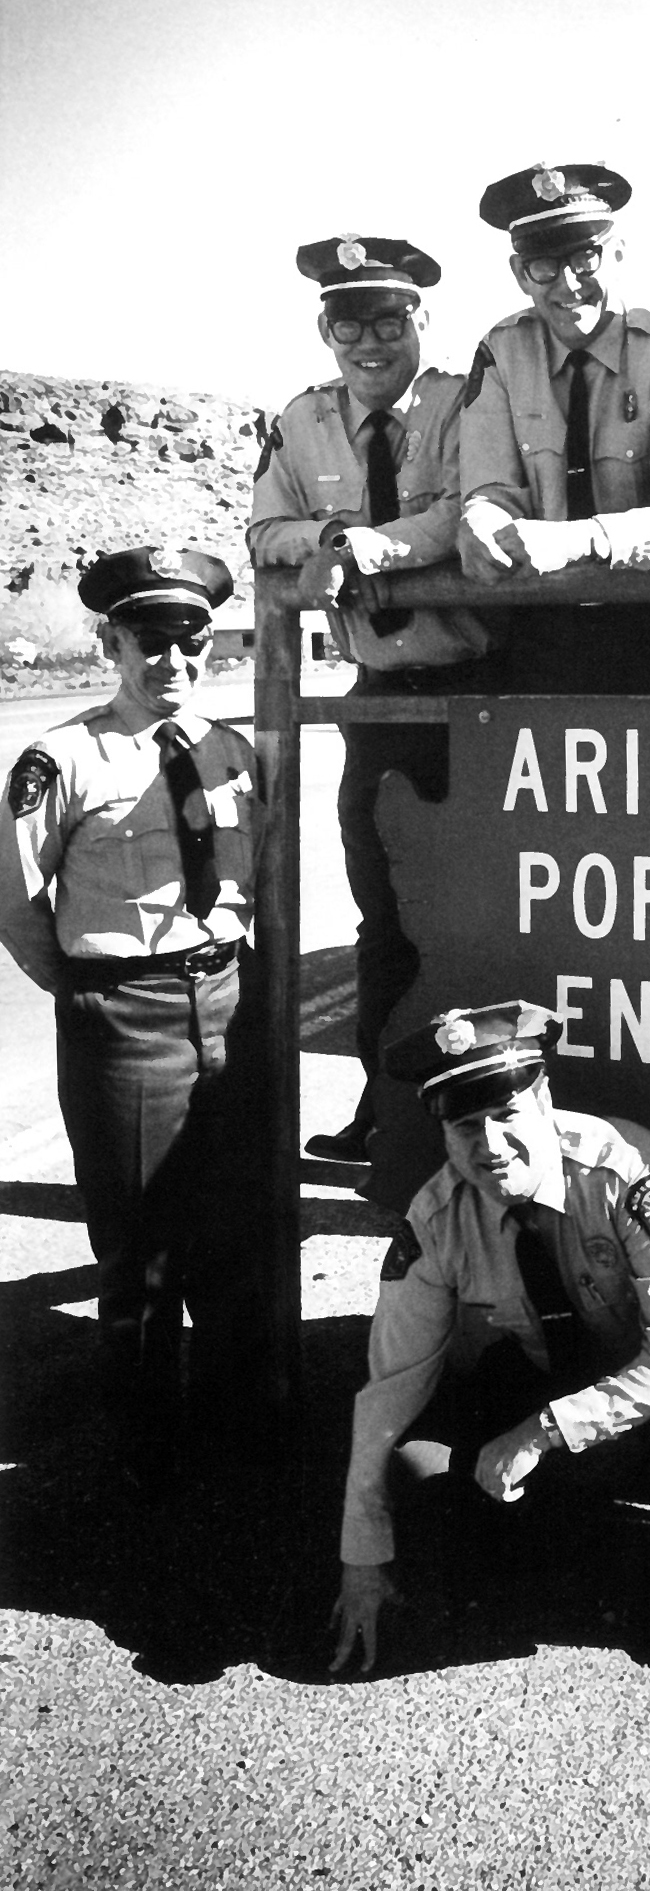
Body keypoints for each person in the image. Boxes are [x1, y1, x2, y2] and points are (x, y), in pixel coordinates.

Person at [330, 1000, 650, 1673]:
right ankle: (543, 1539)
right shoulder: (437, 1219)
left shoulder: (628, 1177)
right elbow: (390, 1387)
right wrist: (361, 1556)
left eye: (505, 1115)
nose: (489, 1145)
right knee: (415, 1468)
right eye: (466, 1125)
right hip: (545, 1365)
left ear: (544, 1098)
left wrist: (542, 1430)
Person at [0, 547, 264, 1498]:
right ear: (113, 642)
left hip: (225, 1003)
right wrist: (86, 991)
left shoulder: (232, 751)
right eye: (150, 643)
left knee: (232, 1230)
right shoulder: (62, 757)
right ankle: (148, 1444)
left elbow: (252, 878)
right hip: (126, 1014)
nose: (173, 662)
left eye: (190, 642)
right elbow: (17, 901)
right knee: (142, 1242)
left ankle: (242, 1429)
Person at [250, 234, 499, 1164]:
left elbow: (469, 506)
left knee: (485, 910)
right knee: (382, 911)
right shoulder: (303, 420)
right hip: (378, 696)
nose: (369, 340)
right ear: (325, 329)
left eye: (389, 318)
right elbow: (266, 526)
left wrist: (371, 549)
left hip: (478, 691)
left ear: (420, 322)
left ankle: (490, 1107)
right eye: (348, 320)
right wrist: (328, 531)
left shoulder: (464, 400)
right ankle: (382, 1104)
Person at [457, 163, 650, 694]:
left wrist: (579, 541)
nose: (568, 283)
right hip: (545, 632)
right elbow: (491, 487)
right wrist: (480, 522)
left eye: (586, 257)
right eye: (544, 266)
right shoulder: (501, 353)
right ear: (519, 273)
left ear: (618, 254)